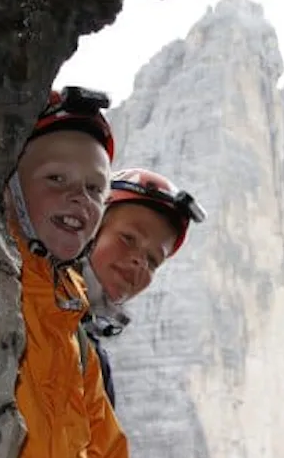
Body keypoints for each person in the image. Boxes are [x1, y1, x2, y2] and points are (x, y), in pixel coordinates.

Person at [1, 85, 134, 458]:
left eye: (95, 188)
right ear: (12, 188)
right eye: (56, 179)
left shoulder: (74, 338)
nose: (79, 197)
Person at [78, 168, 207, 407]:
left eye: (153, 261)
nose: (139, 261)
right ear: (91, 226)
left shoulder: (92, 360)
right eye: (128, 238)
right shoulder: (25, 296)